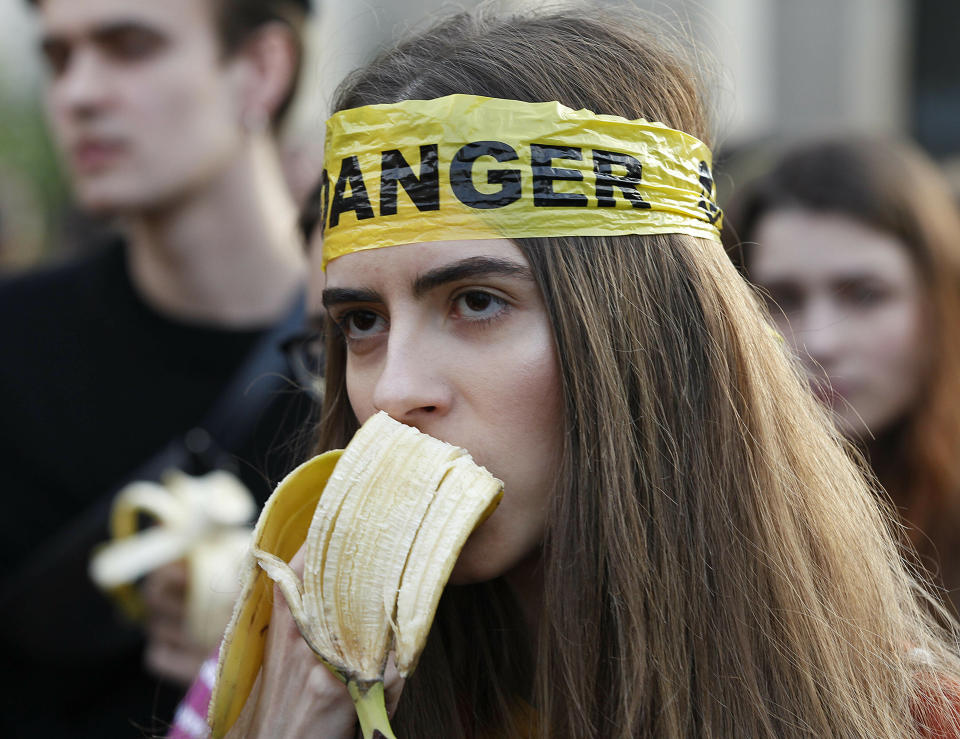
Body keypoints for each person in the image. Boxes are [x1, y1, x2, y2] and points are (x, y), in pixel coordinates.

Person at [178, 6, 960, 737]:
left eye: (476, 302)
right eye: (362, 323)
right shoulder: (270, 685)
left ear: (650, 334)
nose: (391, 392)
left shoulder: (902, 714)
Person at [0, 0, 316, 736]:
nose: (77, 93)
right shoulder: (14, 347)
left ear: (261, 70)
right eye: (58, 58)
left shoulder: (381, 359)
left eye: (129, 46)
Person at [723, 137, 960, 614]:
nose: (819, 342)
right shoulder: (710, 514)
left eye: (865, 295)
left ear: (940, 302)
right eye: (781, 299)